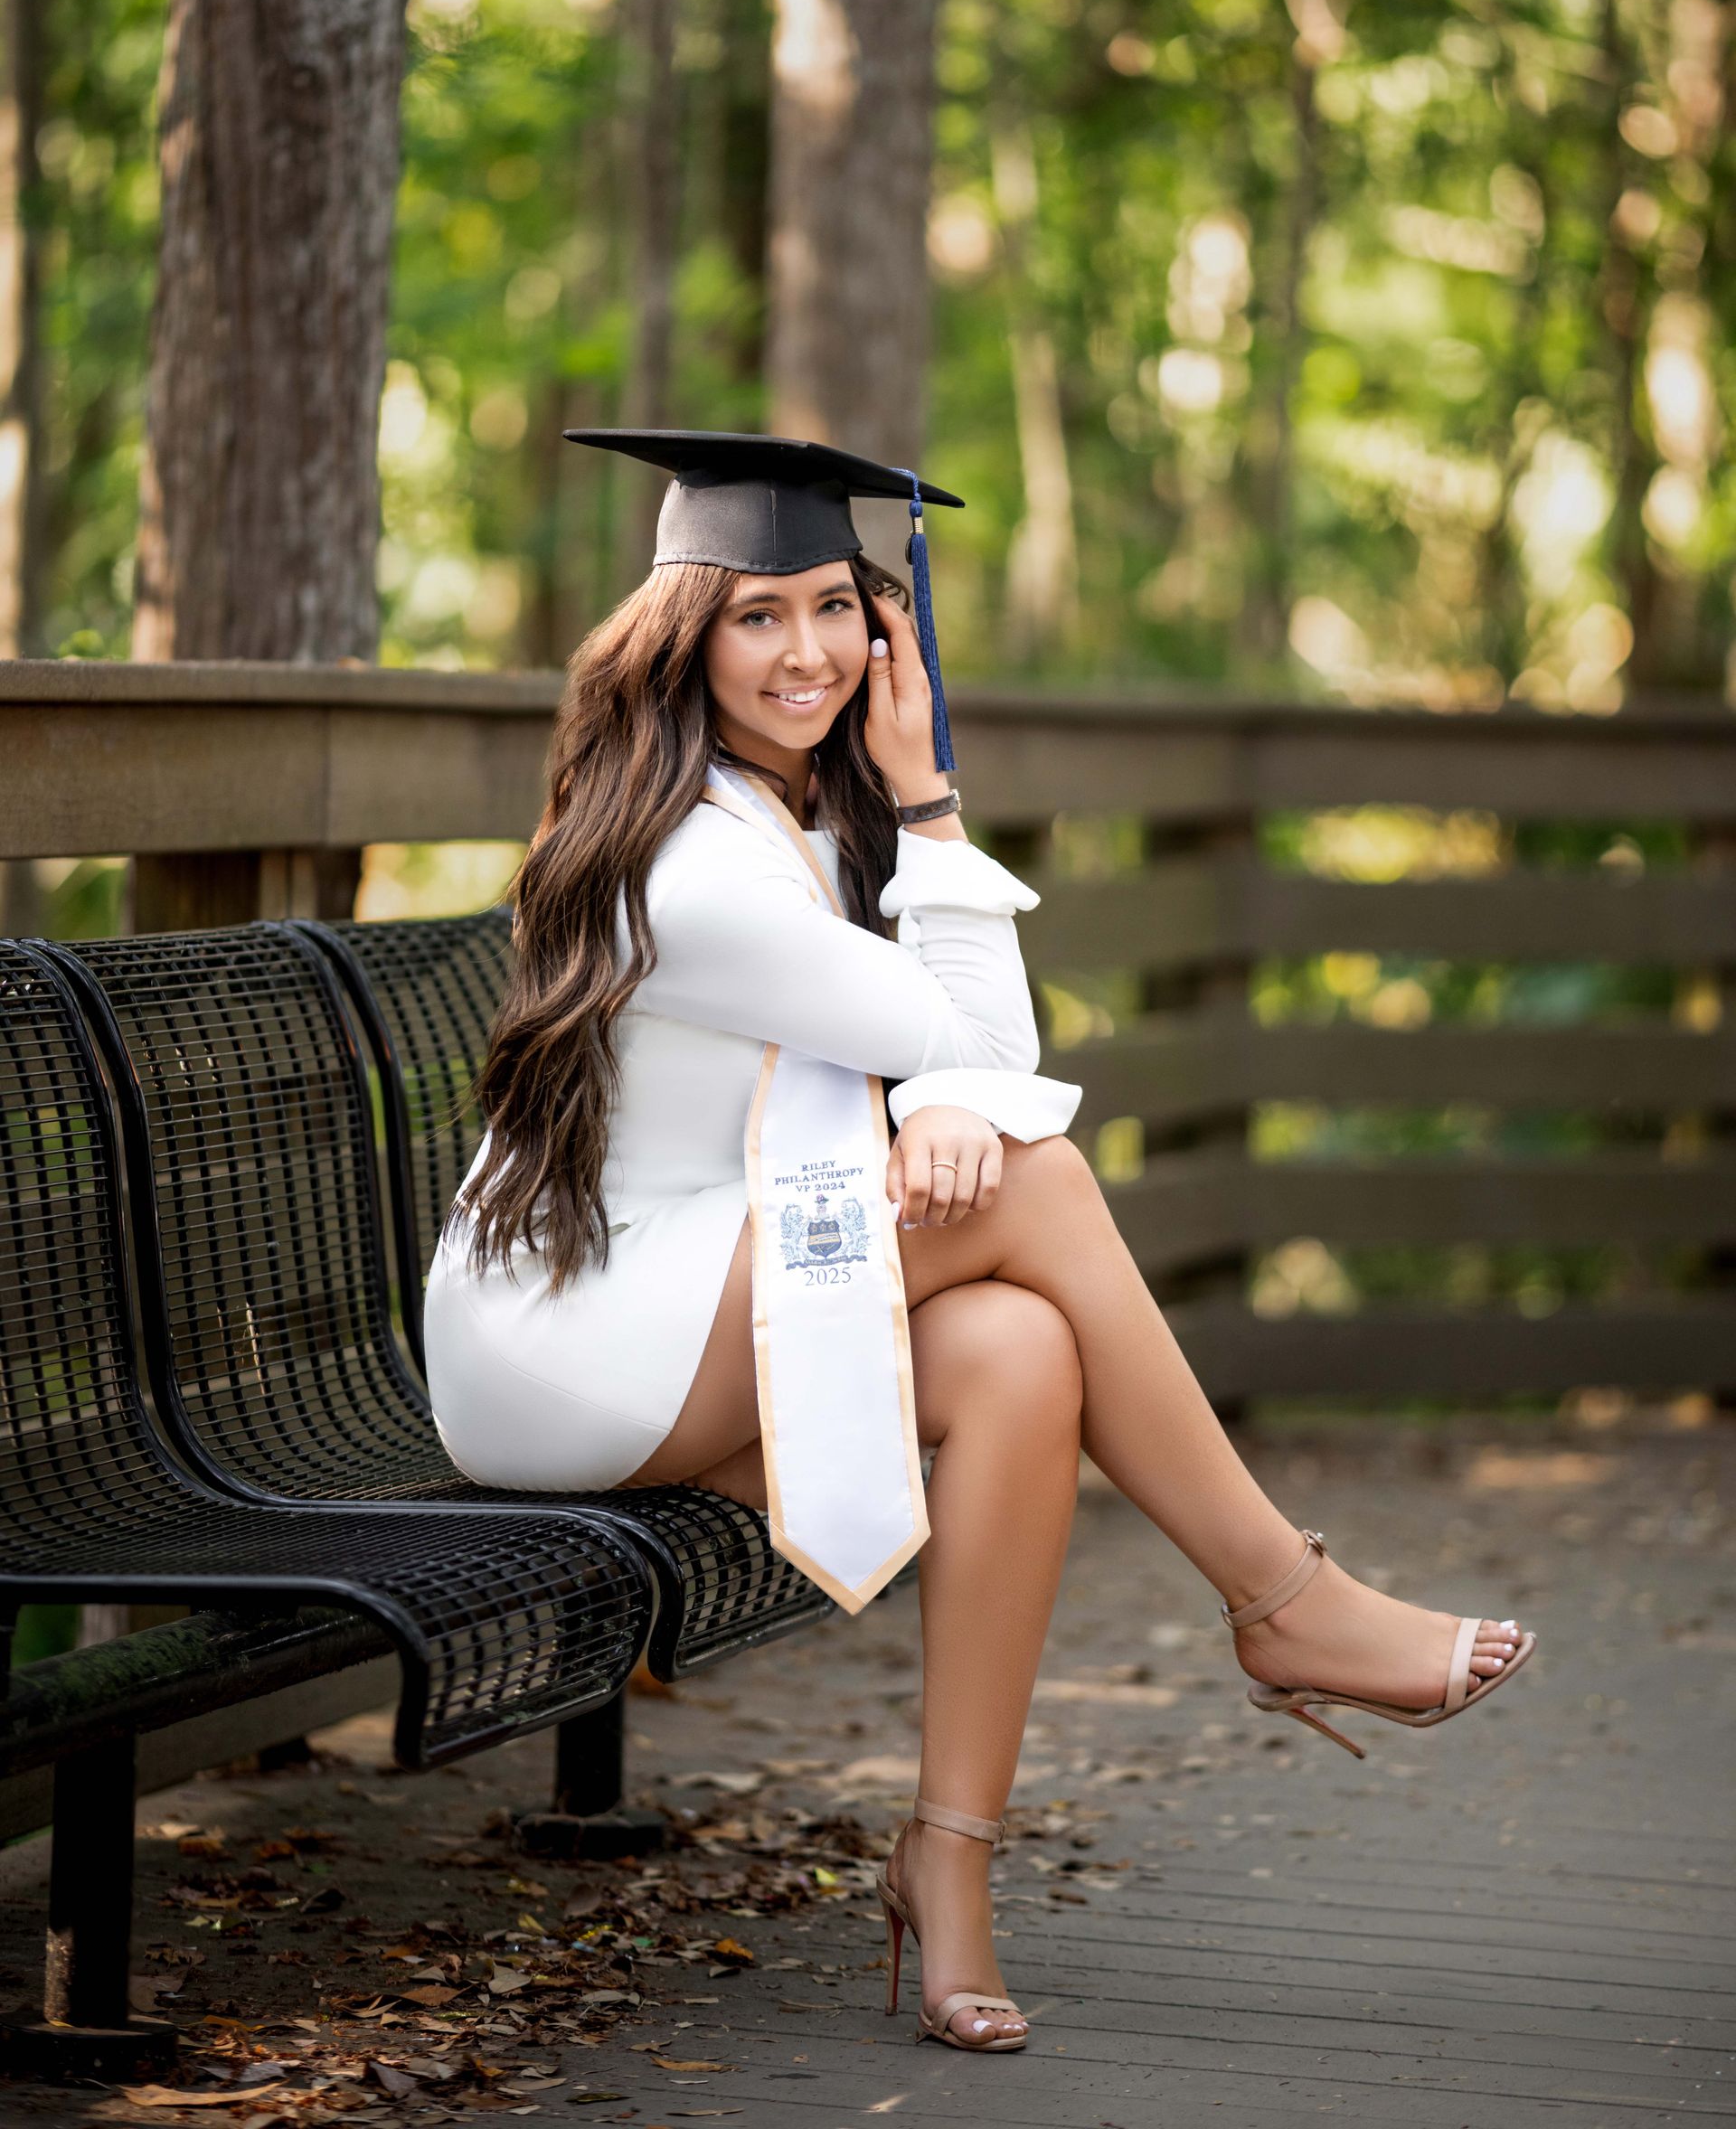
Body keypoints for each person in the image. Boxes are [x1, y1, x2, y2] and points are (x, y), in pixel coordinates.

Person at [423, 430, 1534, 2057]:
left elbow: (968, 1058)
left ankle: (948, 1870)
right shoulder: (697, 861)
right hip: (568, 1338)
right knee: (1041, 1187)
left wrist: (950, 1083)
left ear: (883, 632)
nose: (806, 654)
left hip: (698, 1290)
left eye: (834, 611)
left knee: (1022, 1350)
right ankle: (1282, 1597)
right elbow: (996, 1063)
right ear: (682, 634)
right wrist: (937, 836)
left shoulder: (796, 819)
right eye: (756, 618)